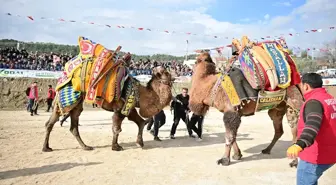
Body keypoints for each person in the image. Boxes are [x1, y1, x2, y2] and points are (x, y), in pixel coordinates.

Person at [286, 73, 336, 185]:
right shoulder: (330, 99)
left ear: (306, 86)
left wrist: (300, 144)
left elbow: (312, 126)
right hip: (331, 152)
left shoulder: (314, 102)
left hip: (314, 156)